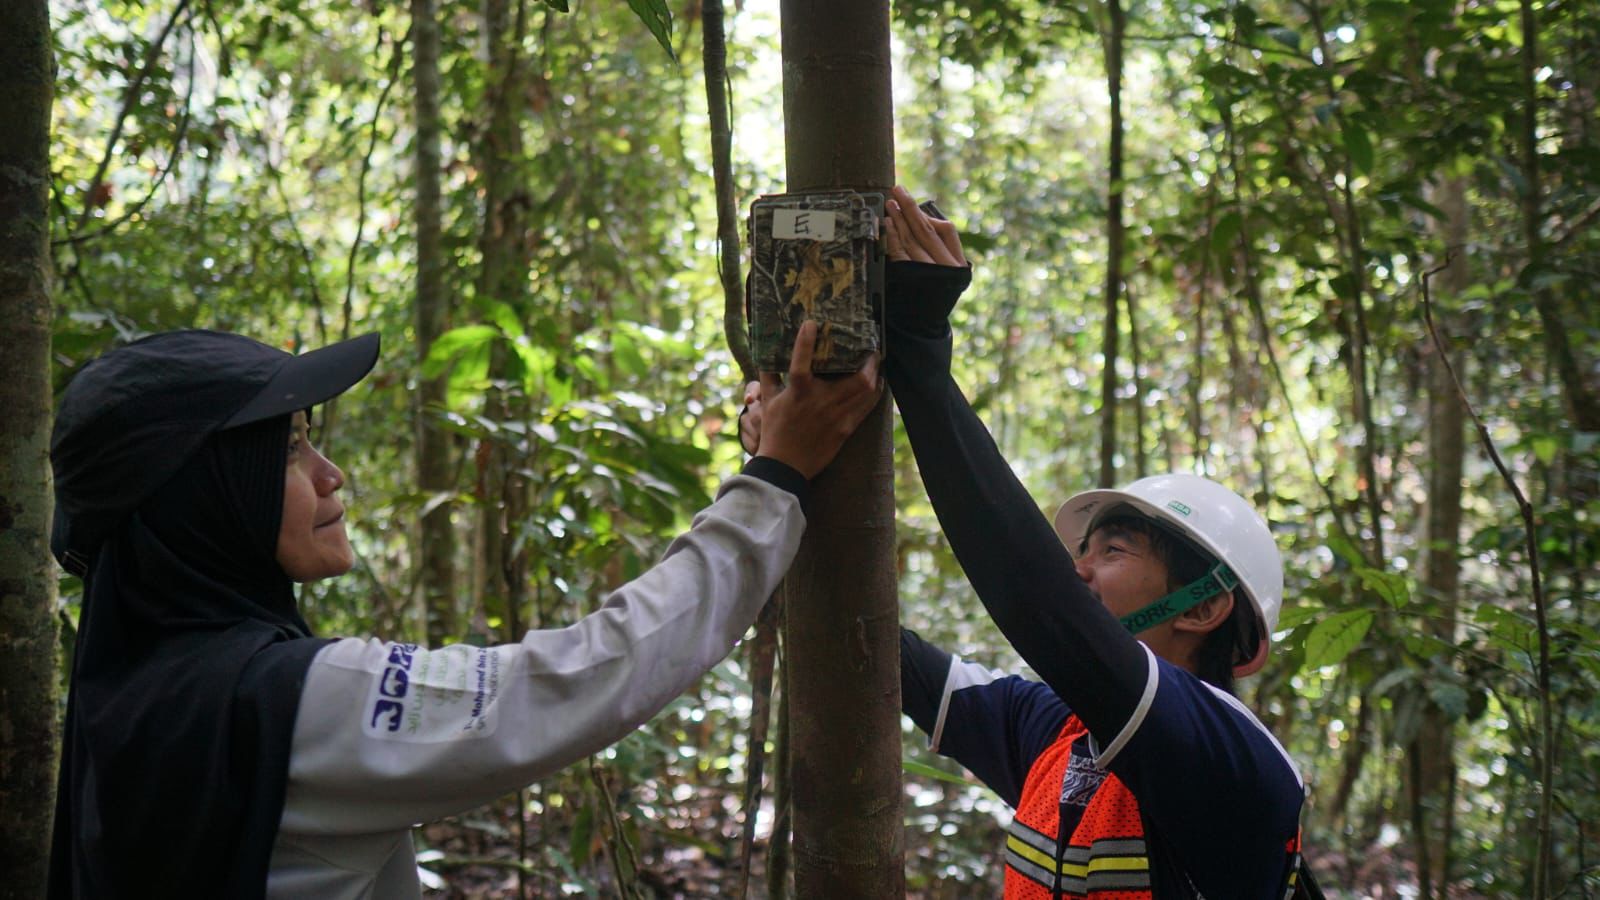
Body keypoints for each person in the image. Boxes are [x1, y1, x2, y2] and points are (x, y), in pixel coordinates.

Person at [47, 321, 879, 900]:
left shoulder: (134, 685)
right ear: (205, 494)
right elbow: (580, 677)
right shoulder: (281, 704)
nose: (332, 475)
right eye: (291, 448)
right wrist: (774, 481)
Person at [739, 188, 1310, 898]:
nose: (1080, 570)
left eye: (1115, 551)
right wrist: (781, 471)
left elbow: (1036, 598)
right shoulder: (1055, 732)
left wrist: (922, 357)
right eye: (1084, 551)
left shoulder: (1225, 755)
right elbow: (864, 639)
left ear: (1202, 609)